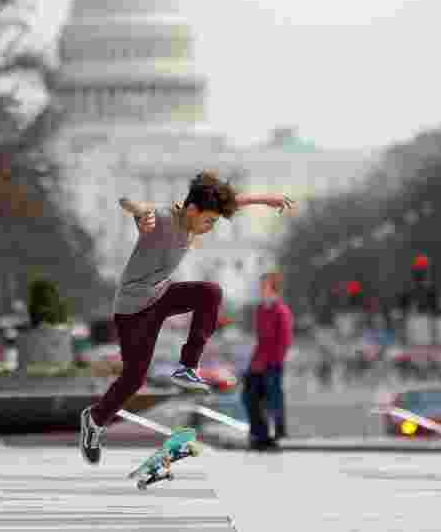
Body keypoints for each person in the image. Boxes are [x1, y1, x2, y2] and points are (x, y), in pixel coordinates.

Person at [80, 171, 294, 465]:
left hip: (161, 297)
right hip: (133, 310)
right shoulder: (163, 219)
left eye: (214, 222)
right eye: (208, 221)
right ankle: (93, 420)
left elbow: (233, 202)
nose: (209, 228)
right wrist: (139, 213)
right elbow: (130, 203)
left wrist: (265, 199)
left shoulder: (195, 216)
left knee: (210, 292)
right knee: (133, 378)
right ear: (191, 210)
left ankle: (187, 365)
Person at [242, 271, 294, 451]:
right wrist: (252, 365)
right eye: (261, 286)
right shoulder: (260, 310)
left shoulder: (281, 311)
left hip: (272, 364)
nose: (261, 290)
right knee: (249, 398)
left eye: (264, 286)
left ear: (274, 289)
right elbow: (260, 339)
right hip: (257, 363)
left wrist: (274, 363)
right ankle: (259, 434)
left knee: (273, 399)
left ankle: (276, 434)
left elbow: (285, 341)